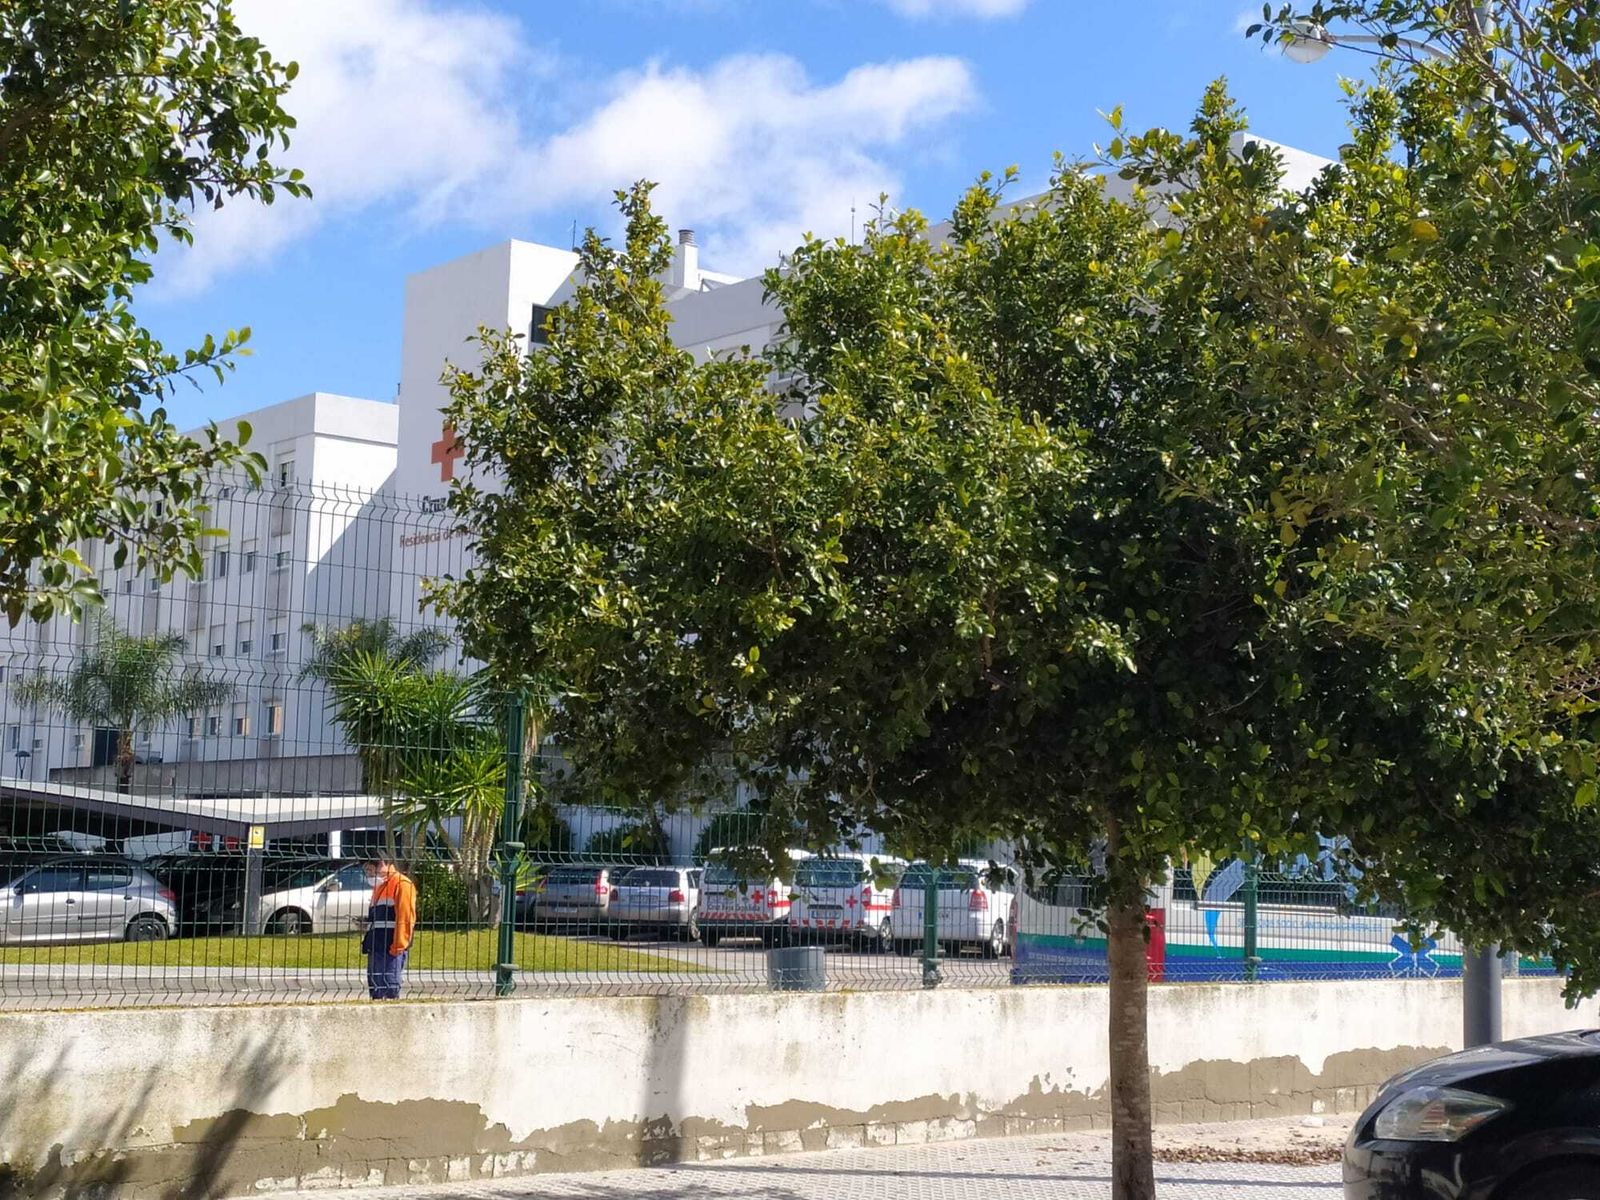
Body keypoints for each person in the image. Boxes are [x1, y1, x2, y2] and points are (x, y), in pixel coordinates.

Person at [361, 856, 417, 1000]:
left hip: (391, 949)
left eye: (370, 870)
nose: (368, 874)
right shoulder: (379, 886)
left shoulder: (401, 884)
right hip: (376, 946)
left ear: (382, 864)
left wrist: (398, 947)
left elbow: (405, 918)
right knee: (376, 991)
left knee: (389, 990)